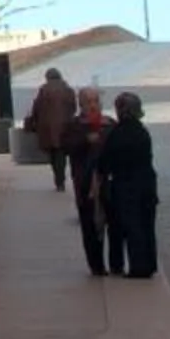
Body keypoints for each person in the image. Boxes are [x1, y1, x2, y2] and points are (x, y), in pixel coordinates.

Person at [98, 92, 160, 281]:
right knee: (147, 224)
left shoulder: (117, 134)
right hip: (147, 184)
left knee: (133, 226)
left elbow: (105, 162)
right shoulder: (142, 132)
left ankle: (138, 267)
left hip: (126, 186)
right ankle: (149, 263)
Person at [61, 86, 112, 276]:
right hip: (84, 181)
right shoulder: (74, 125)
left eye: (95, 101)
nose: (92, 105)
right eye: (88, 101)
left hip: (107, 180)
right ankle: (96, 265)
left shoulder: (109, 123)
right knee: (89, 222)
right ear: (80, 104)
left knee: (112, 221)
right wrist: (85, 141)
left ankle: (115, 263)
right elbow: (66, 146)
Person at [24, 65, 78, 190]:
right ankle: (61, 179)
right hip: (65, 127)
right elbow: (73, 107)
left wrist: (33, 122)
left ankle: (58, 179)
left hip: (47, 128)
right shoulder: (68, 89)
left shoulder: (44, 89)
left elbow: (36, 108)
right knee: (61, 153)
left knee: (53, 154)